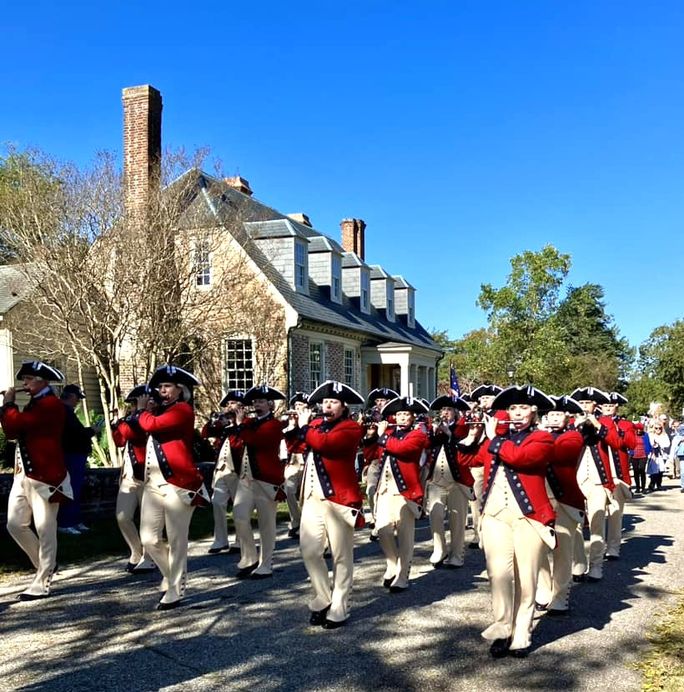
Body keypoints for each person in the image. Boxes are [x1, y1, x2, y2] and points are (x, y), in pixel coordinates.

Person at [478, 385, 555, 658]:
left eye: (523, 408)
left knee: (526, 576)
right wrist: (465, 437)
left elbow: (522, 458)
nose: (517, 413)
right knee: (498, 573)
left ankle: (522, 631)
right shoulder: (495, 437)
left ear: (534, 412)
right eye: (512, 408)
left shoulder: (543, 438)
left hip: (529, 516)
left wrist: (494, 440)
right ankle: (503, 627)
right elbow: (472, 461)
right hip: (495, 514)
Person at [136, 364, 209, 610]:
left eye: (167, 387)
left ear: (181, 390)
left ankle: (176, 588)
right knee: (148, 538)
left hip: (179, 484)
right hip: (153, 482)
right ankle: (171, 576)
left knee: (177, 540)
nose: (162, 391)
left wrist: (142, 411)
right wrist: (147, 411)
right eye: (160, 387)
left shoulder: (183, 410)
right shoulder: (160, 410)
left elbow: (151, 426)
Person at [296, 380, 365, 628]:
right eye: (325, 402)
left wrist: (304, 428)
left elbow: (327, 445)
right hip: (313, 498)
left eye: (333, 402)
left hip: (339, 501)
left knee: (341, 556)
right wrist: (297, 427)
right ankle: (323, 597)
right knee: (310, 550)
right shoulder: (315, 425)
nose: (327, 406)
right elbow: (296, 443)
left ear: (344, 406)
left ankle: (340, 605)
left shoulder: (351, 428)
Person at [1, 360, 71, 600]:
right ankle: (46, 564)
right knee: (14, 524)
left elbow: (14, 426)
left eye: (28, 379)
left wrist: (9, 403)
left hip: (46, 477)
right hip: (23, 475)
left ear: (42, 381)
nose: (24, 383)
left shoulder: (50, 404)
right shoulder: (35, 403)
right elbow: (13, 432)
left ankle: (43, 580)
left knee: (45, 528)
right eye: (24, 379)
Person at [535, 396, 585, 616]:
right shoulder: (539, 436)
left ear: (568, 417)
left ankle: (560, 596)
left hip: (565, 501)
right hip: (540, 501)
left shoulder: (573, 436)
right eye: (551, 414)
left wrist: (538, 439)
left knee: (563, 552)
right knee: (536, 550)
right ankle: (544, 590)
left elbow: (560, 454)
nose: (554, 418)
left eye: (558, 414)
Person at [375, 396, 429, 592]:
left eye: (406, 414)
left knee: (405, 536)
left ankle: (403, 574)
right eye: (399, 414)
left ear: (413, 417)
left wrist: (381, 436)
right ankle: (392, 563)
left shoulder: (418, 435)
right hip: (384, 490)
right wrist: (372, 435)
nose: (402, 417)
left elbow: (402, 449)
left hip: (405, 492)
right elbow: (373, 450)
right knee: (383, 530)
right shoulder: (388, 433)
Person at [231, 384, 286, 579]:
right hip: (246, 479)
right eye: (255, 402)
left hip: (266, 480)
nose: (257, 405)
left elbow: (256, 440)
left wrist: (240, 424)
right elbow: (237, 443)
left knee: (266, 524)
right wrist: (237, 423)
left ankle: (266, 563)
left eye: (261, 401)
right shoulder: (249, 423)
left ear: (270, 405)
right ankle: (249, 557)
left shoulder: (274, 424)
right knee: (239, 516)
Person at [569, 387, 622, 582]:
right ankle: (578, 563)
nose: (584, 406)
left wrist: (597, 424)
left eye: (587, 403)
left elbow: (617, 443)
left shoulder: (605, 421)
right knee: (573, 523)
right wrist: (575, 426)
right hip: (575, 478)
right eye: (581, 403)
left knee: (597, 522)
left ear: (595, 405)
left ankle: (596, 565)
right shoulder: (571, 422)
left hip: (599, 481)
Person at [111, 385, 158, 573]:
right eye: (133, 403)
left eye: (137, 402)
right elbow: (119, 440)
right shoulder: (131, 419)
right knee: (122, 517)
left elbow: (133, 434)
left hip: (147, 475)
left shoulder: (151, 419)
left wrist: (131, 417)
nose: (133, 406)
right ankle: (136, 552)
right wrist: (120, 421)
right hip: (129, 475)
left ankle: (149, 557)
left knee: (148, 520)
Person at [425, 395, 472, 568]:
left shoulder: (463, 427)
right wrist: (433, 431)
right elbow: (427, 445)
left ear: (455, 413)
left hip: (457, 480)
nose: (445, 413)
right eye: (443, 410)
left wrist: (449, 433)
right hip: (437, 480)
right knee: (435, 516)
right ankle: (440, 549)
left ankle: (457, 554)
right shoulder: (434, 427)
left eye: (449, 410)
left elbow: (465, 446)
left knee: (457, 520)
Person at [205, 390, 246, 554]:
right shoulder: (223, 424)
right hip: (221, 468)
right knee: (217, 502)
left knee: (239, 505)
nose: (229, 406)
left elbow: (240, 443)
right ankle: (220, 539)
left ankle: (240, 540)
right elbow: (205, 433)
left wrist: (238, 424)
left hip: (237, 469)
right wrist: (213, 422)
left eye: (232, 403)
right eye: (228, 404)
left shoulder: (246, 422)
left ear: (241, 405)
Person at [467, 384, 507, 548]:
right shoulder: (476, 415)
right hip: (478, 461)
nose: (484, 401)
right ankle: (478, 534)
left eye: (487, 398)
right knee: (476, 500)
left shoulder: (503, 414)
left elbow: (504, 433)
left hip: (496, 461)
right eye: (482, 398)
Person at [600, 392, 636, 561]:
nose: (608, 407)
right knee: (598, 514)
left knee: (615, 514)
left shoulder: (625, 424)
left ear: (616, 406)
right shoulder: (595, 422)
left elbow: (630, 443)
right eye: (605, 404)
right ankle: (596, 548)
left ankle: (613, 547)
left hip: (617, 475)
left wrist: (617, 430)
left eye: (611, 405)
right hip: (599, 475)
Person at [57, 384, 96, 535]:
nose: (78, 402)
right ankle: (66, 522)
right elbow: (76, 434)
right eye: (78, 399)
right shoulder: (64, 411)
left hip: (75, 455)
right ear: (72, 397)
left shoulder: (67, 412)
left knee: (76, 489)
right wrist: (93, 430)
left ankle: (74, 520)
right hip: (70, 456)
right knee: (70, 489)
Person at [360, 387, 398, 541]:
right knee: (370, 491)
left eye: (383, 401)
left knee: (391, 493)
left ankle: (392, 522)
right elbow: (363, 444)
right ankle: (376, 518)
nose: (380, 404)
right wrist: (369, 434)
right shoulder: (371, 418)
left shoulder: (395, 418)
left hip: (392, 459)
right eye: (378, 401)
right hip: (375, 461)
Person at [282, 392, 310, 540]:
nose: (297, 408)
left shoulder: (310, 422)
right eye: (296, 405)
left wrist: (303, 423)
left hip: (307, 460)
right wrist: (292, 425)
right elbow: (285, 437)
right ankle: (296, 521)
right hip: (293, 460)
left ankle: (306, 523)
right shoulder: (288, 423)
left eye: (301, 405)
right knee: (289, 490)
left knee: (306, 495)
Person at [646, 420, 670, 491]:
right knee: (654, 471)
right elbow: (649, 444)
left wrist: (660, 445)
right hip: (653, 455)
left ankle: (659, 484)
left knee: (660, 471)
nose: (658, 430)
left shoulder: (664, 435)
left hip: (662, 455)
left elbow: (667, 444)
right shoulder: (651, 435)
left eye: (659, 428)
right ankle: (652, 484)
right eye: (656, 428)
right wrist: (653, 445)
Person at [630, 423, 648, 494]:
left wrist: (647, 452)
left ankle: (643, 488)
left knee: (642, 471)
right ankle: (637, 487)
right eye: (637, 429)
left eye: (640, 429)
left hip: (643, 455)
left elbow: (648, 444)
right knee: (636, 471)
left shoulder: (645, 435)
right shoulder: (632, 435)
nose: (638, 430)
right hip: (634, 456)